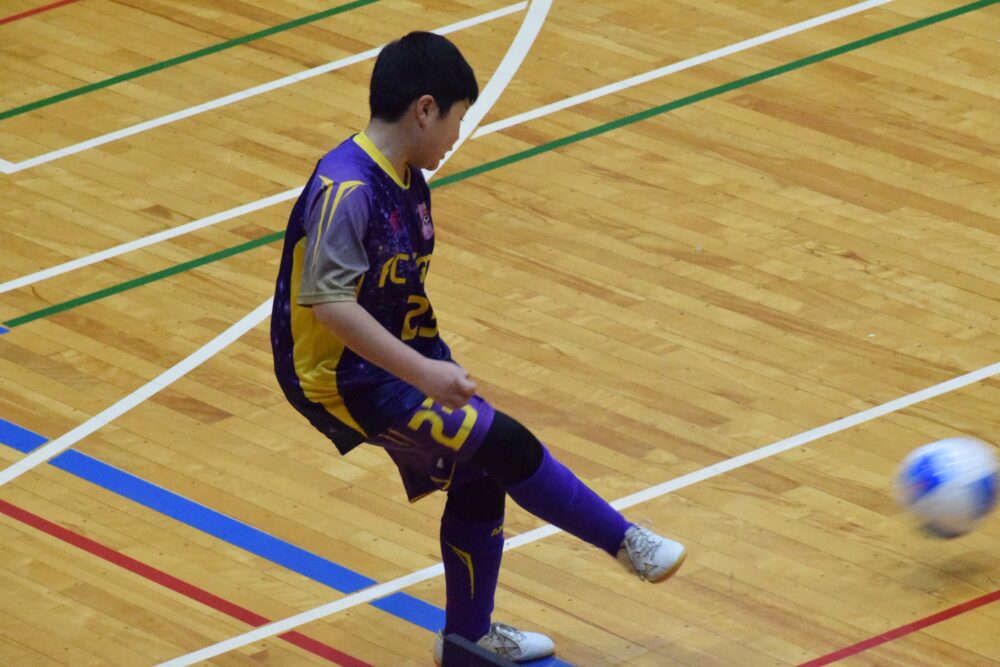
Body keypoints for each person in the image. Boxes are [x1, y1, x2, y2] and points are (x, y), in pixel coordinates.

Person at [270, 31, 686, 664]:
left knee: (481, 474)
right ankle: (626, 541)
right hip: (341, 377)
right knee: (507, 444)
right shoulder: (347, 190)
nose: (458, 135)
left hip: (393, 360)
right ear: (425, 109)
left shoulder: (408, 181)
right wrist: (424, 373)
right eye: (458, 118)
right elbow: (331, 308)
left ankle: (467, 644)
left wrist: (431, 359)